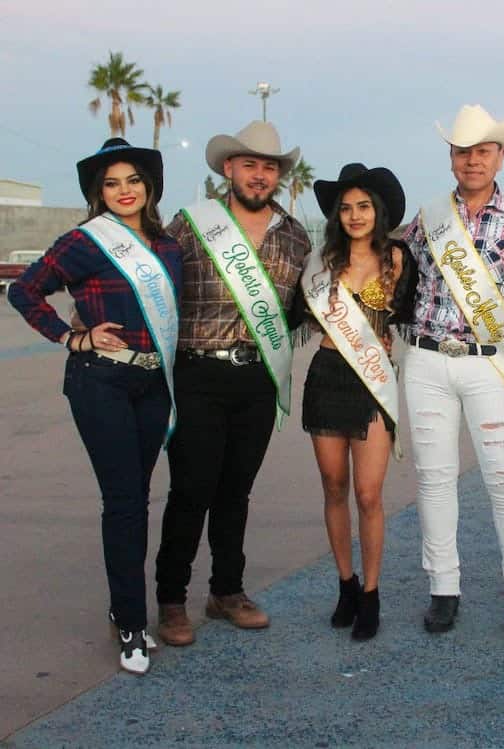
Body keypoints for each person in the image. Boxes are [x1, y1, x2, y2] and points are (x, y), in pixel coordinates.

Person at [9, 138, 182, 675]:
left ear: (148, 187)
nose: (124, 191)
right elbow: (25, 291)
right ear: (97, 193)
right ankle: (132, 622)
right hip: (100, 380)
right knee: (125, 499)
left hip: (154, 385)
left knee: (138, 498)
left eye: (133, 181)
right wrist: (71, 337)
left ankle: (122, 603)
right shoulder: (85, 243)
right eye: (112, 184)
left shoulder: (169, 247)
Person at [402, 104, 504, 644]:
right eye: (463, 151)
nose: (472, 160)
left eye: (482, 151)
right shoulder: (426, 220)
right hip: (426, 361)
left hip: (492, 361)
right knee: (434, 479)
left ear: (500, 156)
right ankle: (443, 589)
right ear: (450, 158)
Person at [153, 121, 310, 647]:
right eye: (250, 165)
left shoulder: (295, 235)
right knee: (191, 489)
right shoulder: (191, 224)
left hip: (257, 378)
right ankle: (171, 599)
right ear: (228, 169)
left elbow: (301, 309)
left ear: (278, 176)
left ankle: (227, 591)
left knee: (235, 492)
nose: (259, 175)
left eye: (269, 167)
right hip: (197, 373)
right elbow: (152, 285)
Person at [299, 163, 416, 640]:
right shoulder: (321, 262)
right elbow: (297, 312)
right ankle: (344, 585)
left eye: (363, 206)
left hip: (372, 384)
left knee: (368, 495)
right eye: (346, 208)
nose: (354, 215)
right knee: (333, 488)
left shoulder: (398, 259)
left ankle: (371, 592)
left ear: (378, 211)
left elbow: (411, 312)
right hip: (326, 377)